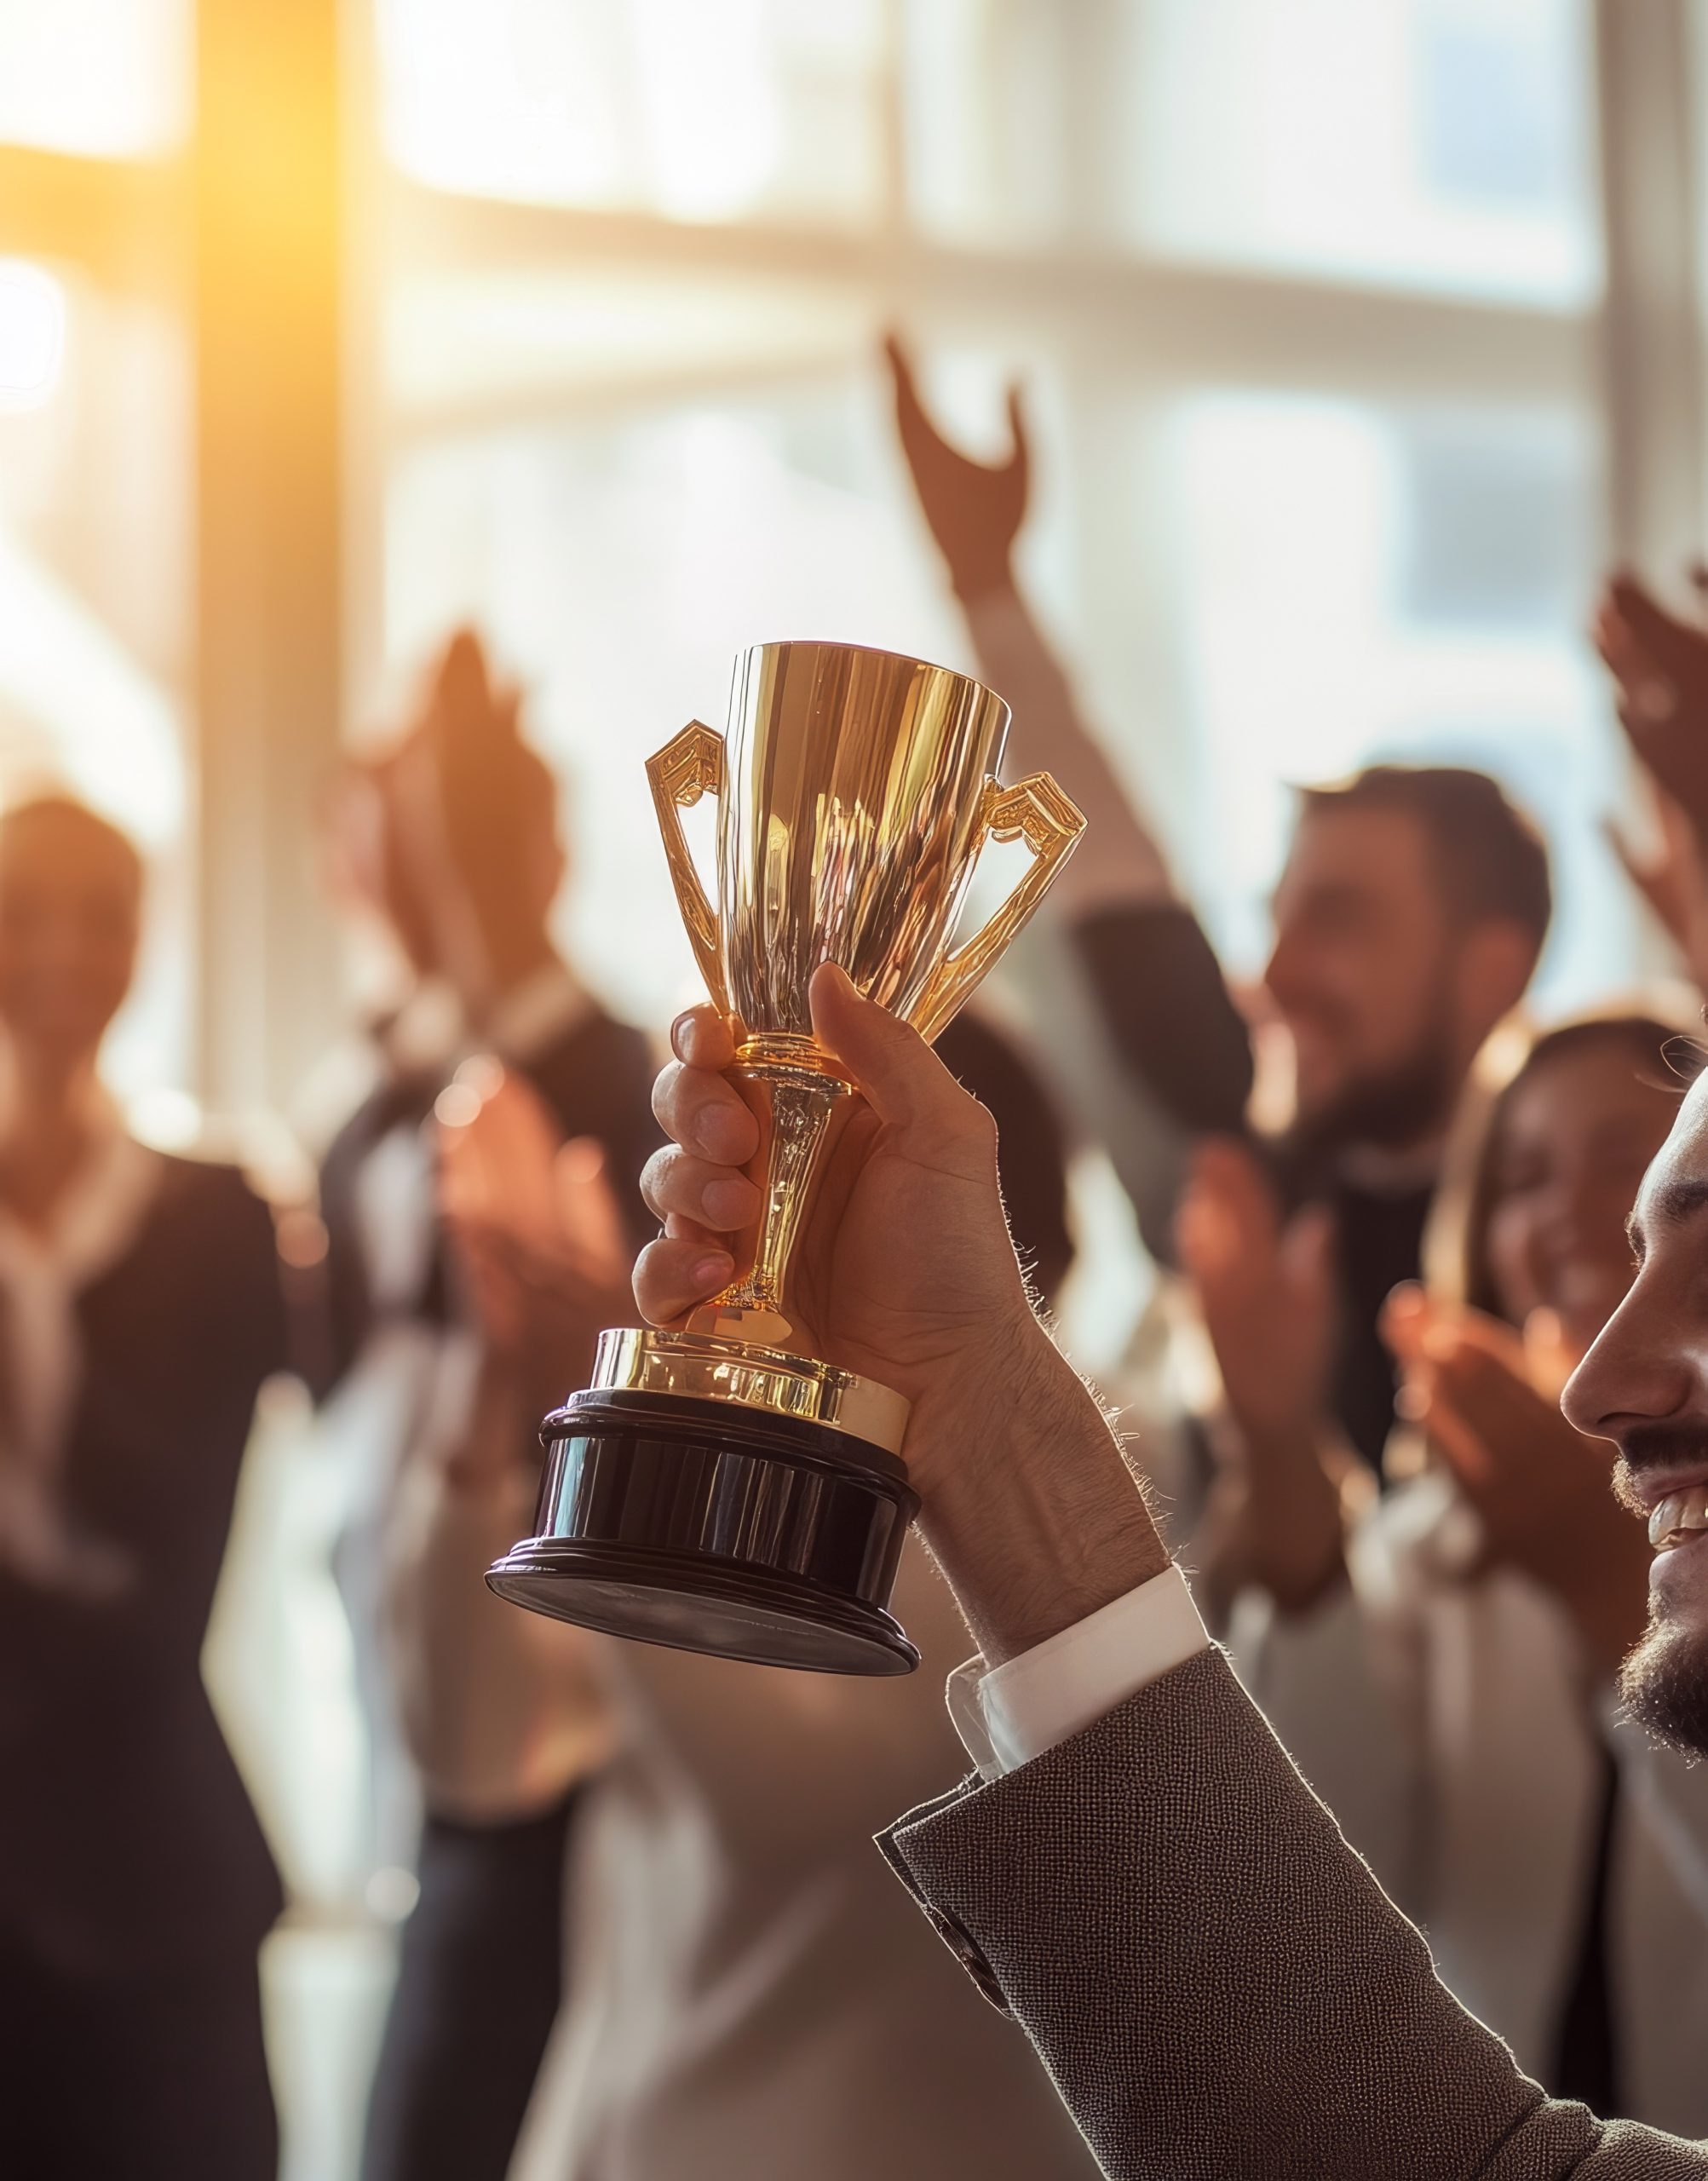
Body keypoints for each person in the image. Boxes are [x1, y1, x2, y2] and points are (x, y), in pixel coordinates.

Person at [641, 963, 1708, 2178]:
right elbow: (1349, 2035)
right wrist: (972, 1390)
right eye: (1525, 1178)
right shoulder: (1426, 1552)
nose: (1598, 1386)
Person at [386, 1027, 1100, 2181]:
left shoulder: (1067, 1467)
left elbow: (805, 1801)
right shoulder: (739, 1414)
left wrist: (634, 1461)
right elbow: (473, 1754)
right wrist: (488, 1401)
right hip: (608, 2130)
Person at [889, 336, 1551, 1473]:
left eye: (1338, 922)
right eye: (1275, 918)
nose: (1275, 974)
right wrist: (985, 587)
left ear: (1490, 970)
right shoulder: (1256, 1186)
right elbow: (1119, 900)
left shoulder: (1582, 1245)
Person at [1186, 1010, 1708, 2130]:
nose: (1566, 1218)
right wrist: (1276, 1454)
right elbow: (1335, 1882)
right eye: (1521, 1176)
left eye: (1624, 1164)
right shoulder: (1427, 1544)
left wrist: (1597, 1586)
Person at [313, 631, 660, 2181]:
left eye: (457, 833)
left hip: (564, 1715)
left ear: (545, 848)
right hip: (399, 1678)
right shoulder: (363, 1115)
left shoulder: (631, 1087)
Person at [0, 796, 290, 2179]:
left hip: (148, 1880)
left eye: (98, 914)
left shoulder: (219, 1221)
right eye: (22, 911)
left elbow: (166, 1568)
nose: (58, 950)